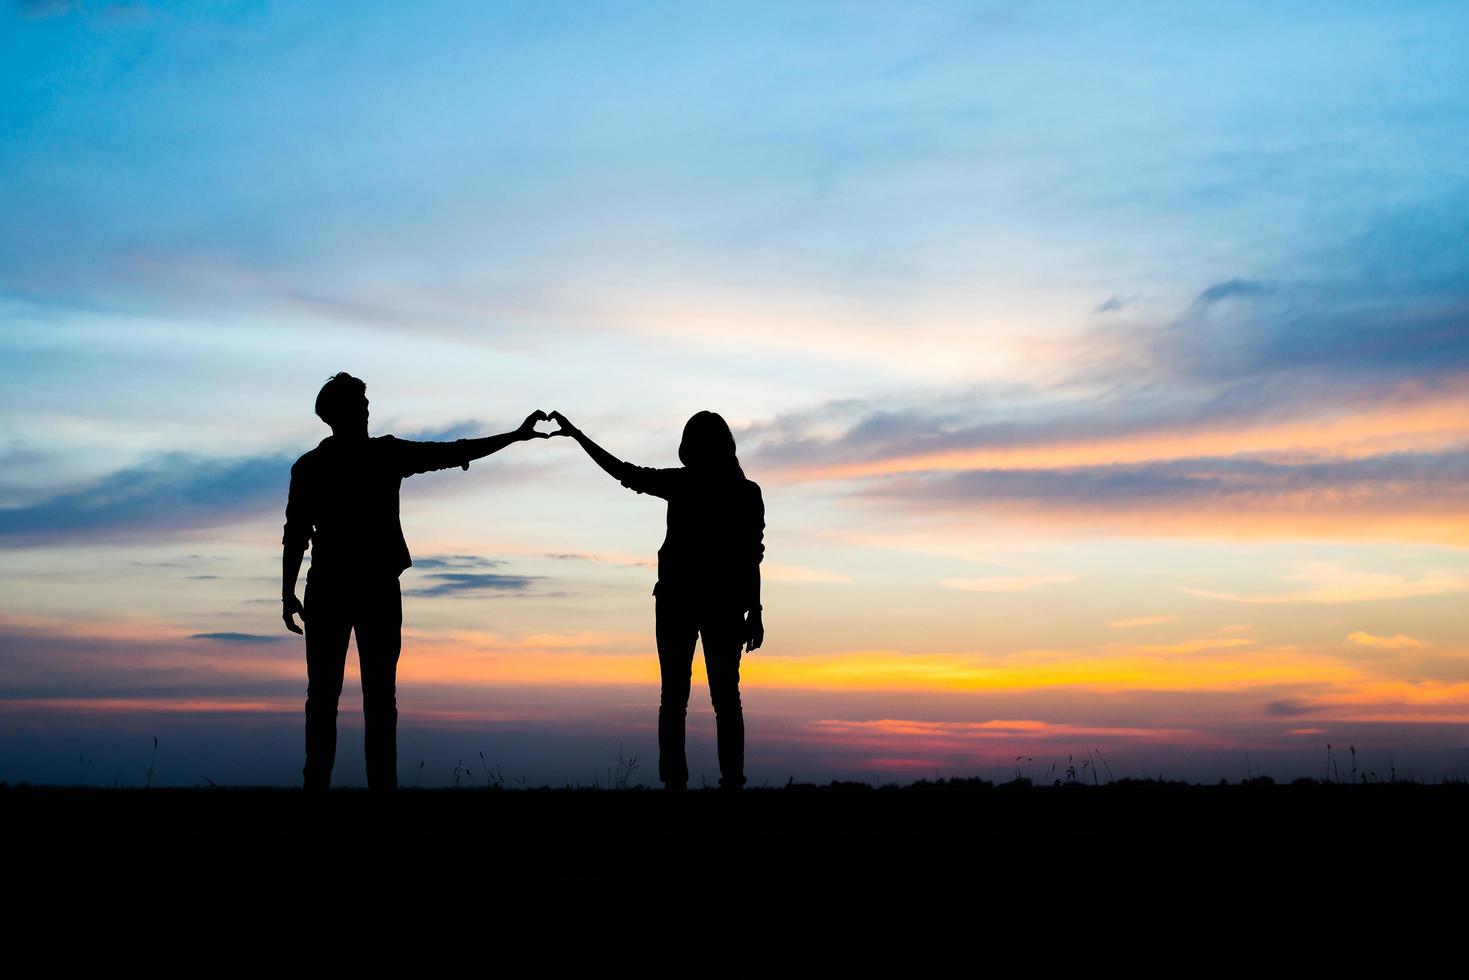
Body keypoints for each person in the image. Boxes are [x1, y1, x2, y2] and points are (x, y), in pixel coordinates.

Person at [281, 372, 553, 791]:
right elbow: (296, 533)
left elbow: (453, 451)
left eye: (366, 403)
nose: (366, 409)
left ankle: (373, 791)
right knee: (329, 698)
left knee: (371, 697)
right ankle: (321, 788)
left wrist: (515, 436)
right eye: (359, 404)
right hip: (342, 590)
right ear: (338, 414)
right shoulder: (318, 466)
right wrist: (287, 592)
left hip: (366, 589)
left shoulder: (366, 457)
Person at [550, 409, 764, 791]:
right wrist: (756, 610)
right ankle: (722, 783)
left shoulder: (705, 488)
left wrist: (576, 435)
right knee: (719, 699)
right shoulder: (742, 493)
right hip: (705, 603)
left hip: (693, 602)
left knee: (684, 699)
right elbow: (752, 557)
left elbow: (752, 555)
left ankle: (686, 784)